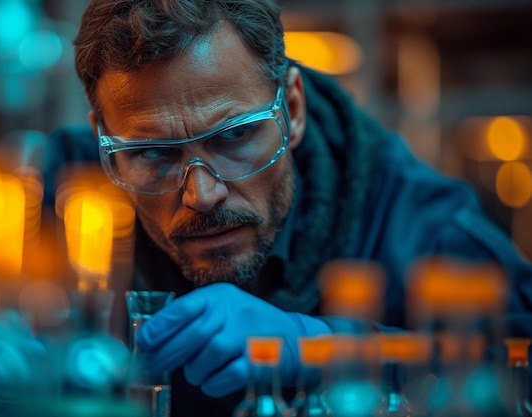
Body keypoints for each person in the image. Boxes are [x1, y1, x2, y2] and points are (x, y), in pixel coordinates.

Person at [43, 0, 532, 415]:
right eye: (152, 152)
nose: (202, 195)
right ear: (102, 140)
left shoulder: (421, 224)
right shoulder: (63, 197)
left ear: (291, 110)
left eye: (235, 135)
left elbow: (518, 370)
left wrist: (318, 345)